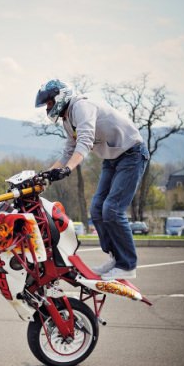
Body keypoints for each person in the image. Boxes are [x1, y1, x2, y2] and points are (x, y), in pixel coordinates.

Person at [35, 79, 149, 280]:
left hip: (131, 154)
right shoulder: (67, 119)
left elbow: (85, 141)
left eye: (49, 103)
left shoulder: (81, 106)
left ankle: (128, 265)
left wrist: (69, 169)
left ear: (60, 97)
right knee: (97, 209)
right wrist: (45, 176)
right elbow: (68, 152)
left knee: (112, 209)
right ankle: (117, 259)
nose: (48, 108)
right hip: (112, 158)